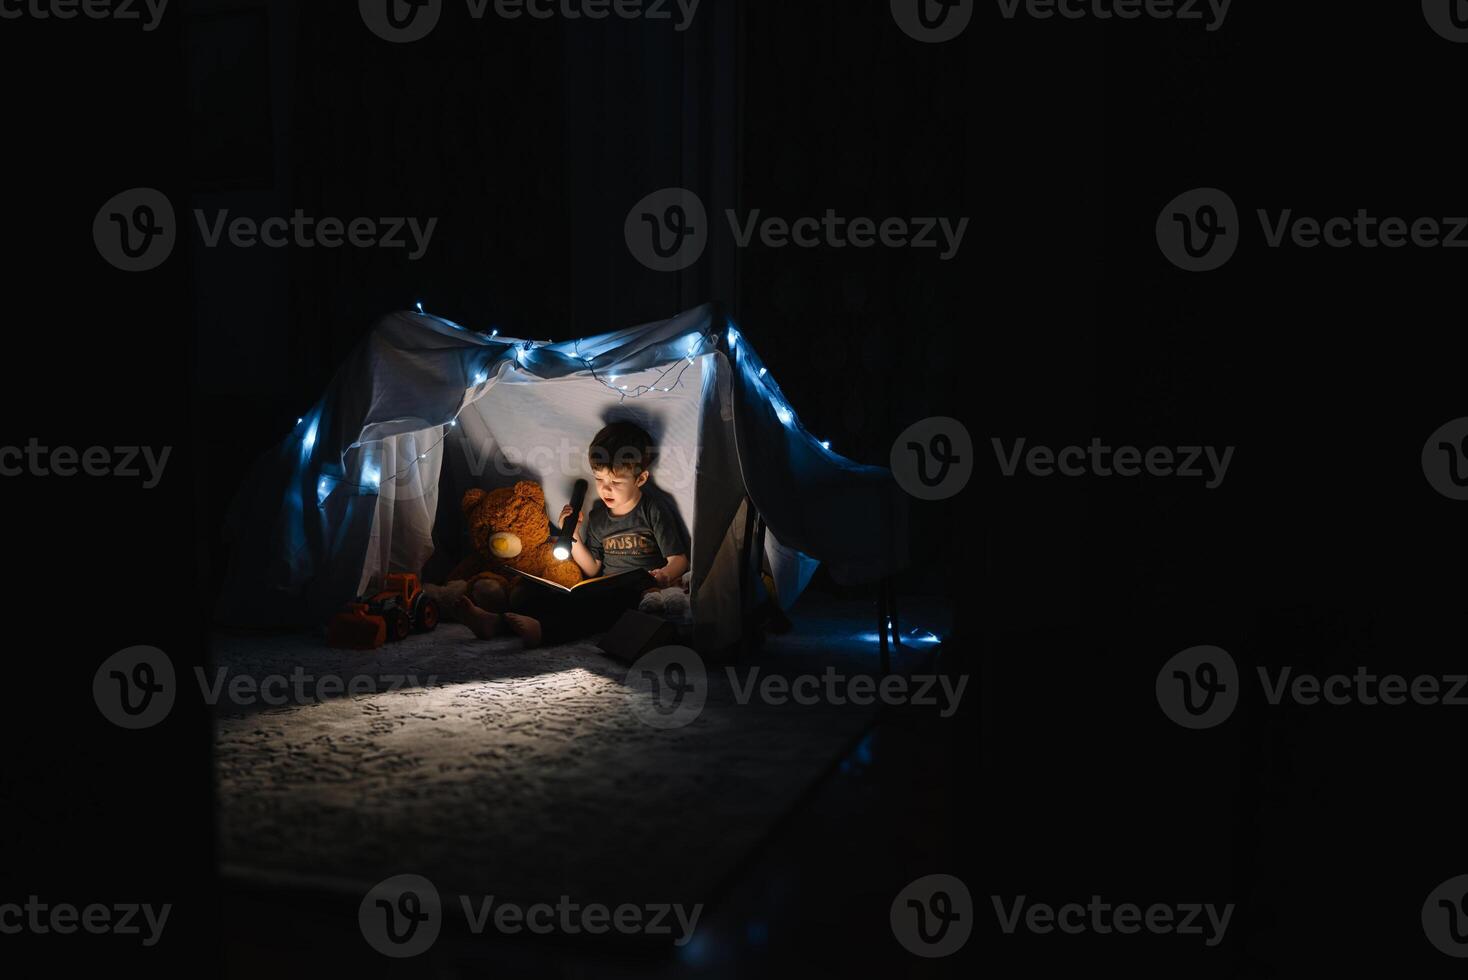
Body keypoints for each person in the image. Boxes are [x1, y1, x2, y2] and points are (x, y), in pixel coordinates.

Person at [452, 421, 690, 647]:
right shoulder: (598, 516)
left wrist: (664, 575)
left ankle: (544, 633)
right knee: (548, 596)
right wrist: (573, 534)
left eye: (616, 482)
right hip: (603, 587)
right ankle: (495, 622)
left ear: (641, 478)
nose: (606, 488)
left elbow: (679, 559)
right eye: (599, 479)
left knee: (588, 613)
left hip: (642, 590)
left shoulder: (652, 510)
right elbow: (593, 568)